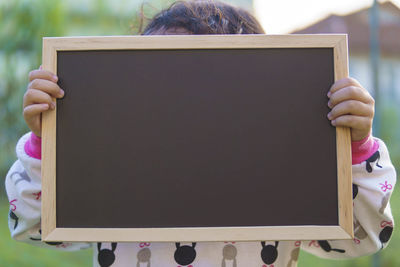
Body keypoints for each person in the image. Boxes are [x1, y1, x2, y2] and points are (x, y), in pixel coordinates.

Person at [5, 1, 396, 266]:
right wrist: (50, 140)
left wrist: (356, 148)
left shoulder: (282, 168)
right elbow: (35, 226)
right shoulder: (111, 165)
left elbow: (361, 237)